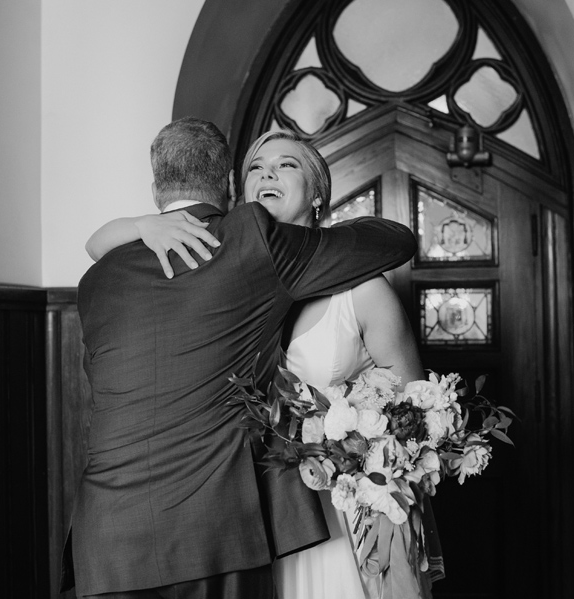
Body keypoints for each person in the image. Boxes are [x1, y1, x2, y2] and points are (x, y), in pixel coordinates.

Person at [65, 118, 417, 599]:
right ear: (233, 185)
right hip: (215, 532)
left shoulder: (98, 278)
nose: (269, 176)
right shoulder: (251, 242)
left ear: (154, 191)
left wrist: (134, 227)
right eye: (257, 167)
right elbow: (394, 238)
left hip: (105, 539)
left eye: (286, 165)